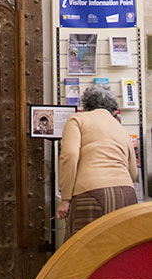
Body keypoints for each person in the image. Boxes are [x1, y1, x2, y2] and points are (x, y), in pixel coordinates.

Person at [56, 84, 138, 240]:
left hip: (91, 194)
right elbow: (133, 173)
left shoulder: (77, 120)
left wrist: (65, 199)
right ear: (112, 107)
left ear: (86, 104)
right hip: (127, 195)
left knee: (85, 253)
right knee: (120, 252)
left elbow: (70, 156)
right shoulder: (120, 128)